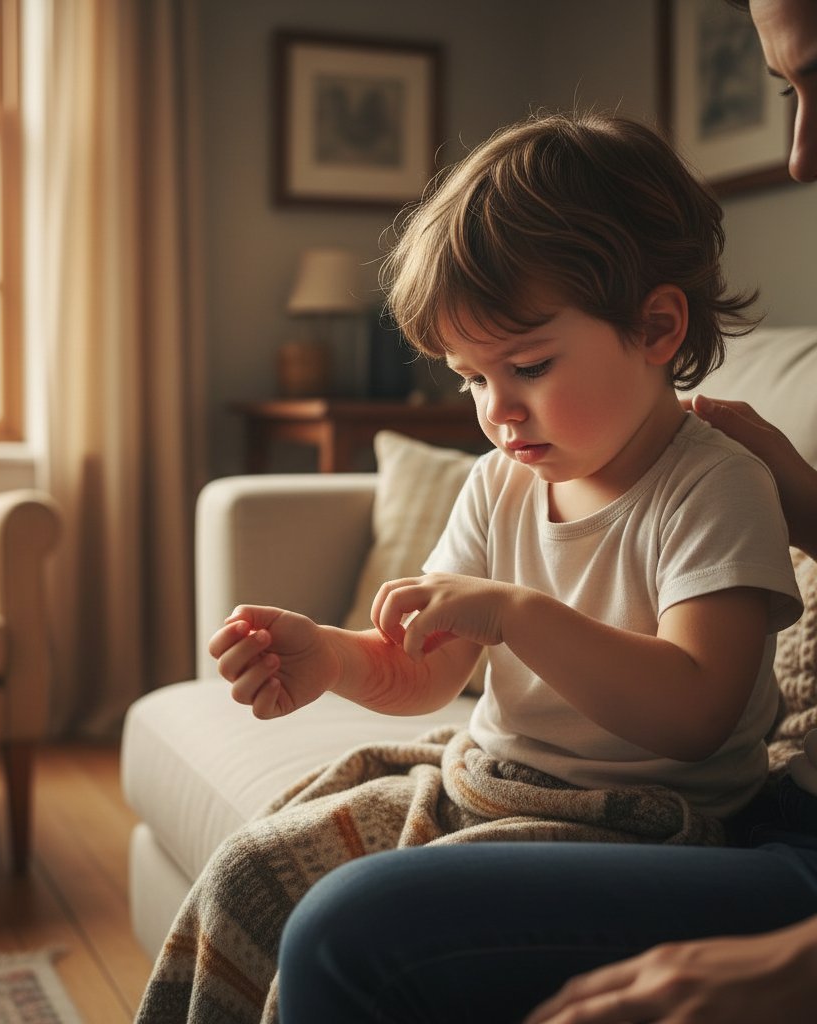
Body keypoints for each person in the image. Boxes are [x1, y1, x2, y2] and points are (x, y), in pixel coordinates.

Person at [136, 108, 808, 1024]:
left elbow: (695, 710)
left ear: (656, 328)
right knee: (251, 874)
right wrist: (331, 657)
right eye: (471, 377)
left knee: (357, 925)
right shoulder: (498, 483)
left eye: (527, 365)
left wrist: (516, 613)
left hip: (657, 826)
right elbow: (428, 670)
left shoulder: (714, 484)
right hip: (491, 783)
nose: (497, 410)